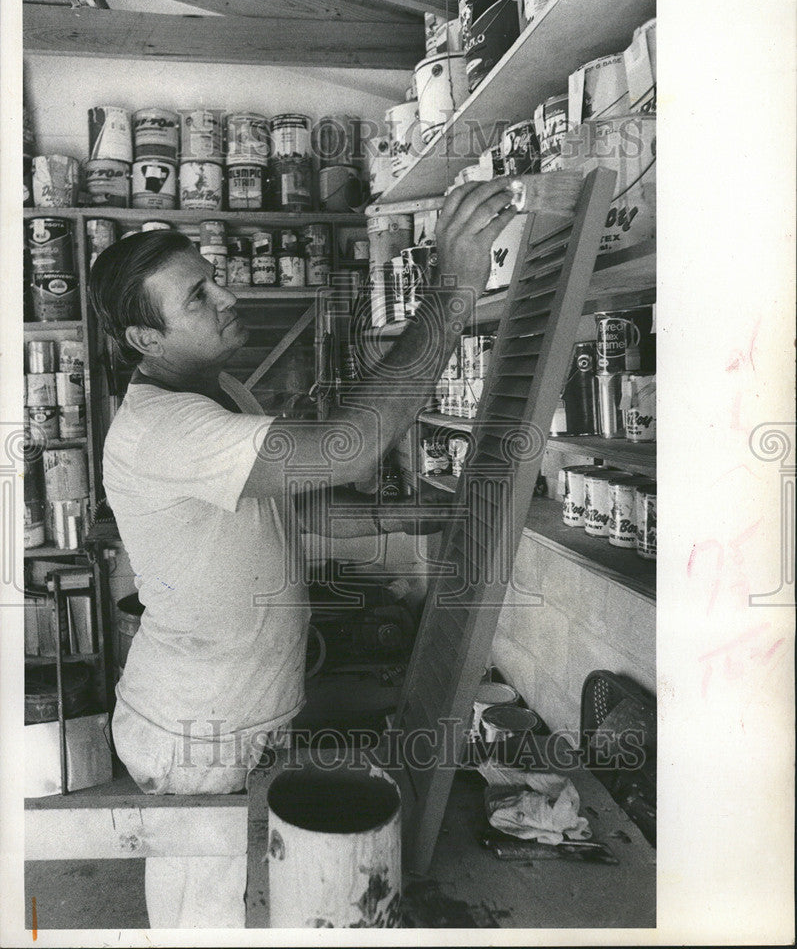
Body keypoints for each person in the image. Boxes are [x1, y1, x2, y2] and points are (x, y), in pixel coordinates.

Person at [88, 178, 515, 928]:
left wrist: (424, 511)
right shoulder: (165, 425)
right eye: (197, 296)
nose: (225, 295)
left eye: (213, 277)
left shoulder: (222, 389)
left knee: (250, 904)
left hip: (235, 722)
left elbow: (301, 504)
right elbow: (349, 450)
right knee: (211, 923)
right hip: (199, 735)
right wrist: (453, 290)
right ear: (146, 340)